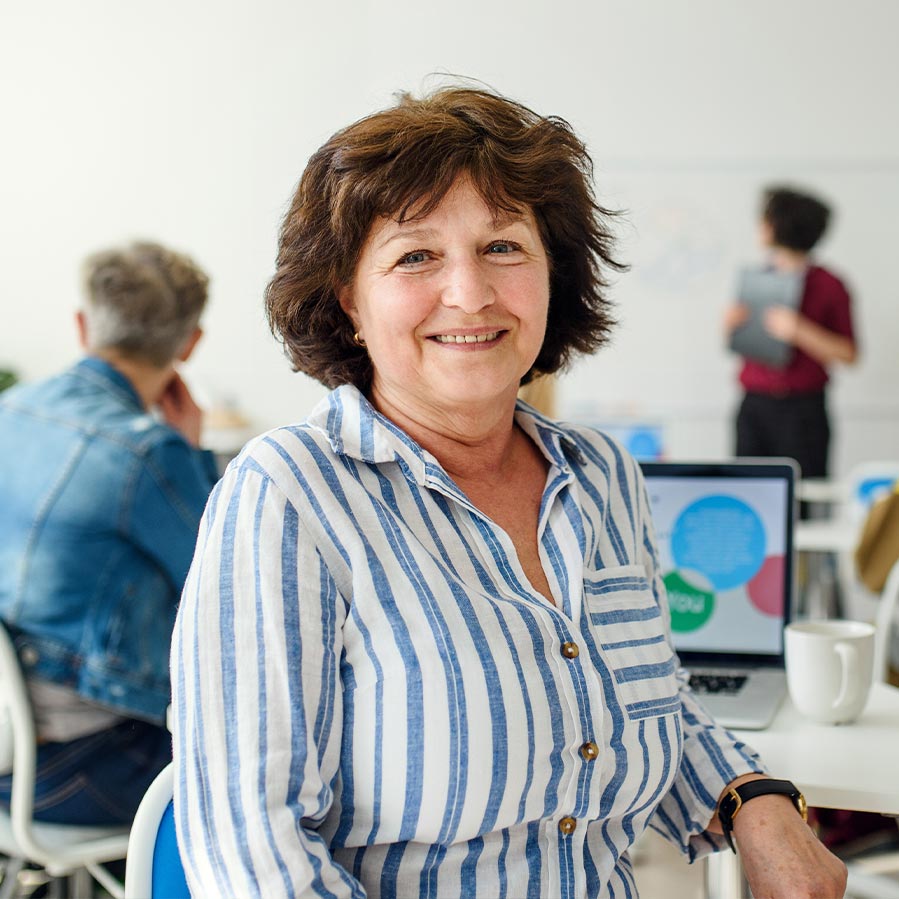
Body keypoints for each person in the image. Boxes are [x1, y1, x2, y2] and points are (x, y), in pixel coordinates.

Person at [172, 86, 846, 898]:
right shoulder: (287, 497)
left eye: (502, 247)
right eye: (415, 255)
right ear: (349, 300)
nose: (470, 292)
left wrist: (754, 799)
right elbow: (251, 856)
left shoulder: (600, 476)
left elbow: (654, 703)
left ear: (552, 273)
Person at [0, 241, 218, 825]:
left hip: (13, 757)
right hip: (71, 765)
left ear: (82, 325)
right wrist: (191, 453)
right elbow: (226, 589)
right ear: (190, 344)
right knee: (290, 771)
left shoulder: (9, 409)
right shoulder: (149, 454)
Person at [725, 185, 858, 483]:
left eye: (766, 219)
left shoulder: (830, 285)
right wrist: (731, 325)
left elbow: (849, 354)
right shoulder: (756, 278)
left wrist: (799, 330)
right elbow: (736, 344)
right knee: (747, 488)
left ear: (778, 226)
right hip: (753, 406)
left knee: (805, 496)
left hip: (803, 411)